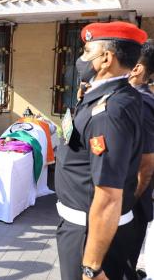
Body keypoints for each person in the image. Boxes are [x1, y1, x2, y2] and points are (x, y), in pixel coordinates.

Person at [55, 21, 147, 280]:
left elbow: (107, 195)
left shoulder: (108, 111)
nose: (81, 59)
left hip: (88, 232)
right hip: (89, 225)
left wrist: (91, 267)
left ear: (106, 58)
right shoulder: (114, 96)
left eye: (86, 52)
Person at [128, 39, 154, 272]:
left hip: (133, 203)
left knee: (124, 264)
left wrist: (130, 198)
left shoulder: (141, 103)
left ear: (137, 68)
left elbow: (146, 165)